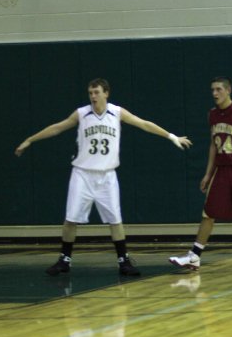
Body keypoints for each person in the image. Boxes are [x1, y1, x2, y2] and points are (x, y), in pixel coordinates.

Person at [15, 77, 192, 276]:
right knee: (70, 219)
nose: (93, 97)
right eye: (90, 93)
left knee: (115, 220)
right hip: (82, 174)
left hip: (107, 175)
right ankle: (64, 260)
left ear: (106, 93)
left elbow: (143, 124)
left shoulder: (116, 112)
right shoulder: (82, 114)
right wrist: (30, 140)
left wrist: (171, 136)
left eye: (97, 92)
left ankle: (123, 261)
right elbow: (57, 127)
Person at [169, 76, 232, 274]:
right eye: (212, 89)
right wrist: (207, 173)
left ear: (228, 90)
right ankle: (194, 256)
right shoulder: (212, 114)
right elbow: (213, 145)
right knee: (208, 213)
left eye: (219, 89)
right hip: (221, 169)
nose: (215, 93)